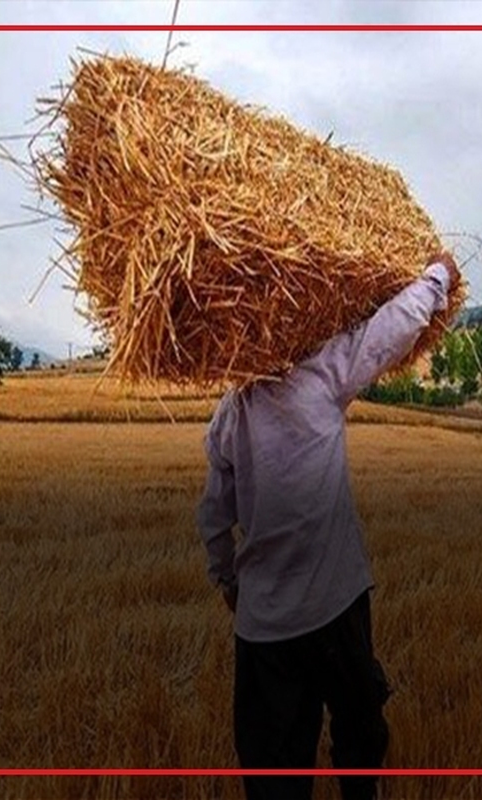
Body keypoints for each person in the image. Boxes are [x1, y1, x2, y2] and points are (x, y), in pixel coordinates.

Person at [195, 253, 461, 800]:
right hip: (335, 609)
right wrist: (438, 277)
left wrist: (228, 582)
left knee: (273, 771)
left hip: (264, 628)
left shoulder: (229, 415)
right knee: (360, 744)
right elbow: (388, 331)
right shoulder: (322, 376)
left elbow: (213, 519)